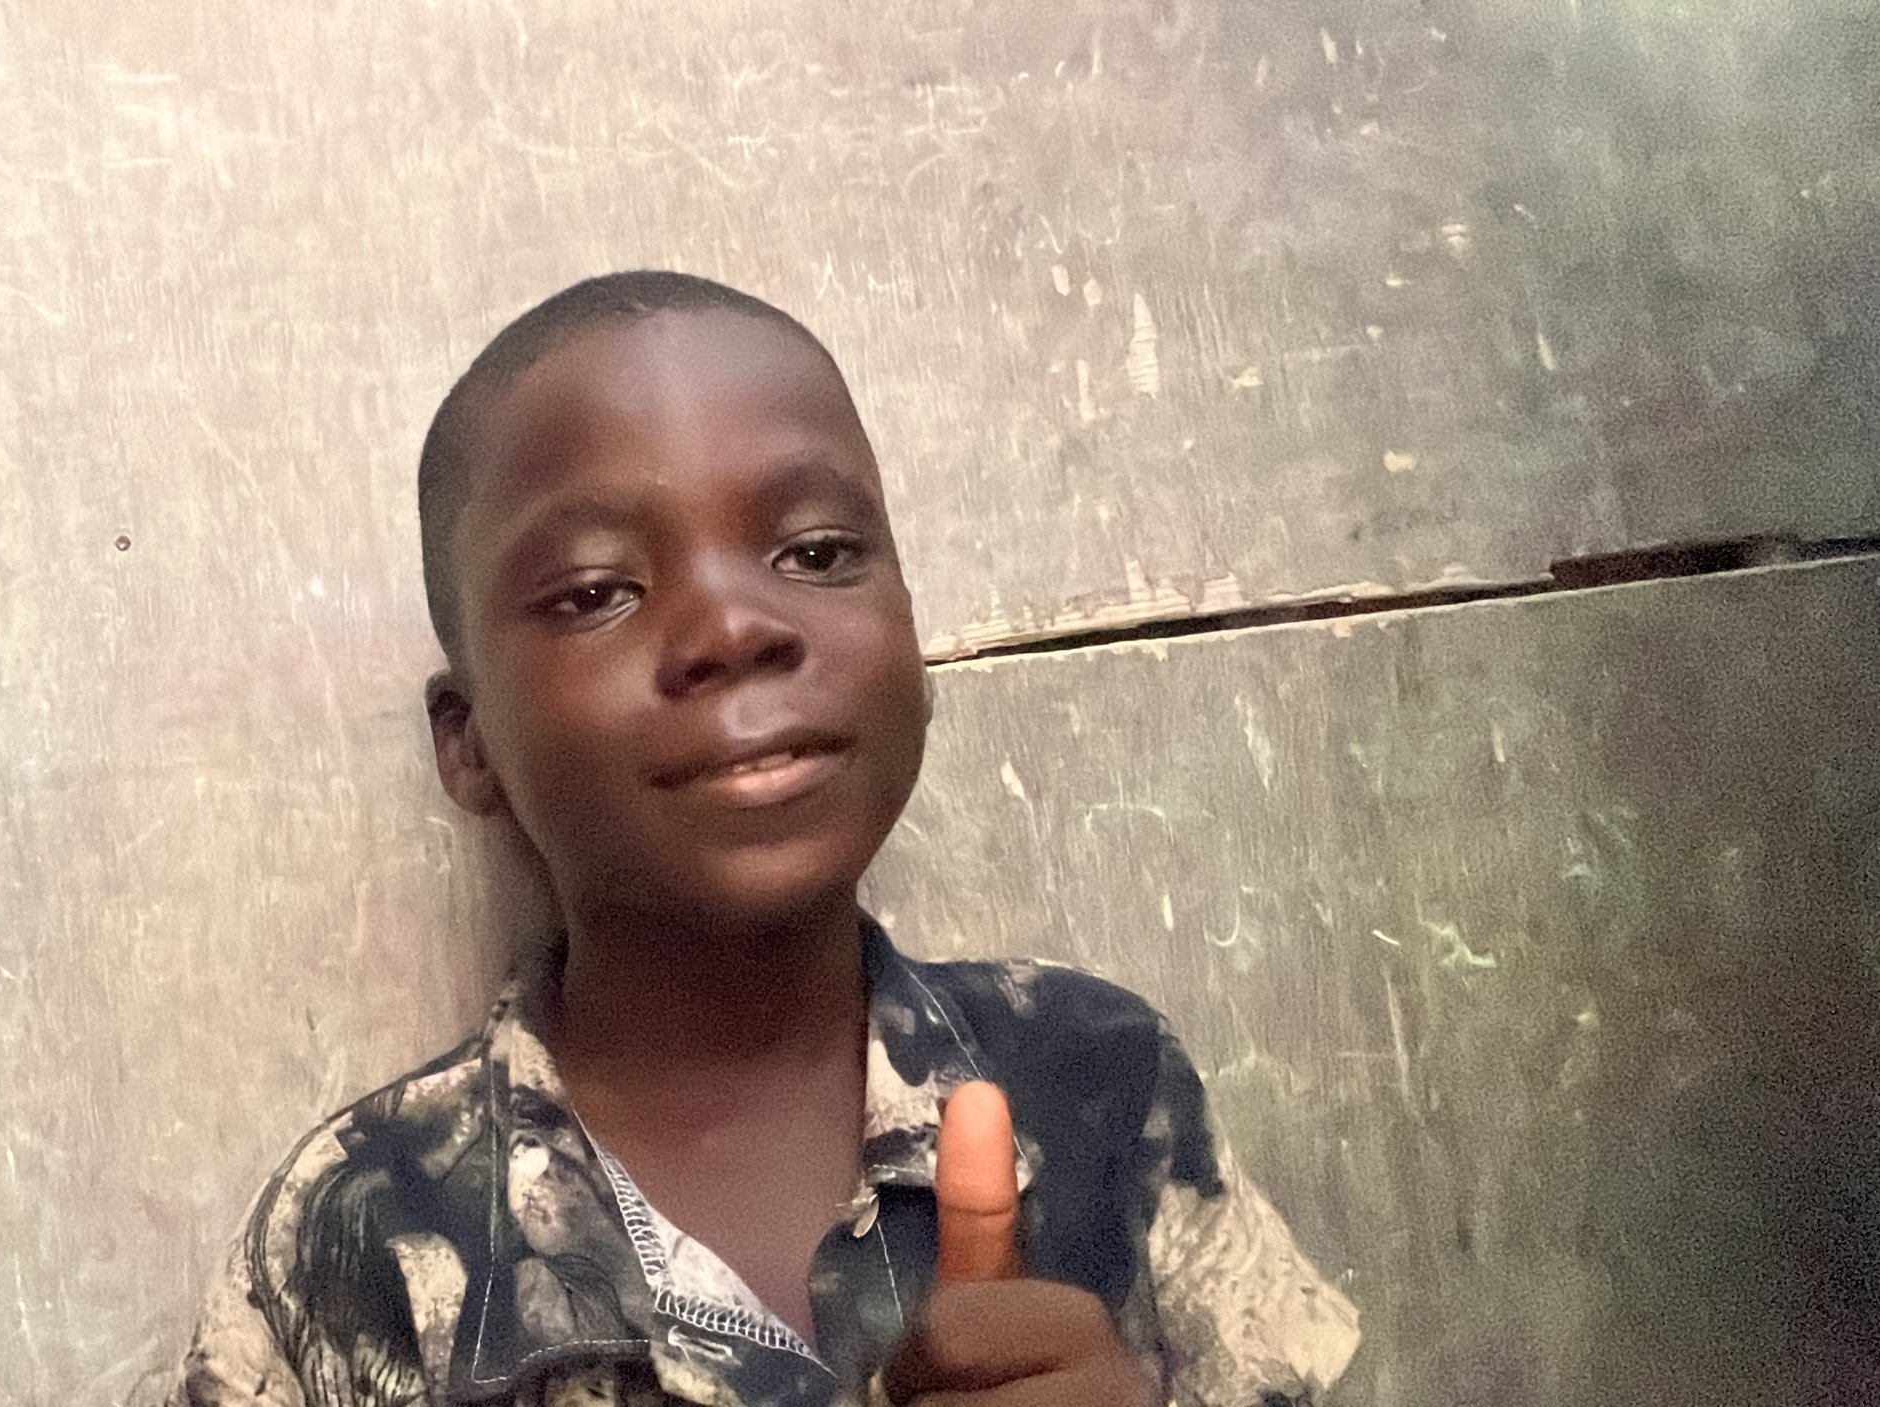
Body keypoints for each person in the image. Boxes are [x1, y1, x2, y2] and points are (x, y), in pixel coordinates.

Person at [171, 273, 1360, 1407]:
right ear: (468, 739)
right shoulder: (360, 1225)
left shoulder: (1094, 1081)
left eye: (818, 554)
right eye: (596, 590)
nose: (736, 625)